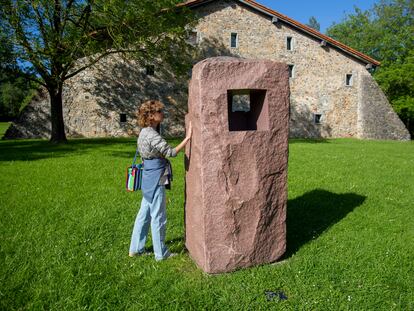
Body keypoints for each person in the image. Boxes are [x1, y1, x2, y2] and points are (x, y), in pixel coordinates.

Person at [129, 100, 192, 261]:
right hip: (156, 177)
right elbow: (170, 152)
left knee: (144, 214)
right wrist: (188, 138)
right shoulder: (151, 134)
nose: (162, 113)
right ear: (151, 115)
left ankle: (135, 248)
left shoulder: (144, 132)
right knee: (158, 216)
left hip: (148, 177)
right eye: (159, 111)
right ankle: (161, 254)